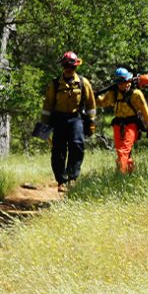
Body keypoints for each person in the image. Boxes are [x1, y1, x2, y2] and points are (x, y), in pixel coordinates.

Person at [40, 51, 96, 192]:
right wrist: (44, 128)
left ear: (76, 67)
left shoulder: (84, 83)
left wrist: (91, 122)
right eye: (66, 66)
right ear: (63, 67)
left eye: (71, 66)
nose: (68, 69)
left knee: (77, 146)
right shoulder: (54, 84)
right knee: (58, 150)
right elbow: (47, 107)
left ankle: (72, 178)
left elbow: (91, 105)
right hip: (59, 119)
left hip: (76, 119)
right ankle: (61, 181)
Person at [97, 68, 148, 174]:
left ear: (129, 80)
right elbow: (102, 103)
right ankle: (129, 172)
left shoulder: (136, 94)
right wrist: (93, 96)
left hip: (132, 124)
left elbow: (145, 111)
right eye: (120, 83)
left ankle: (121, 175)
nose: (123, 85)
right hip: (117, 124)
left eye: (125, 82)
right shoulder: (113, 93)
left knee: (124, 150)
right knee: (122, 152)